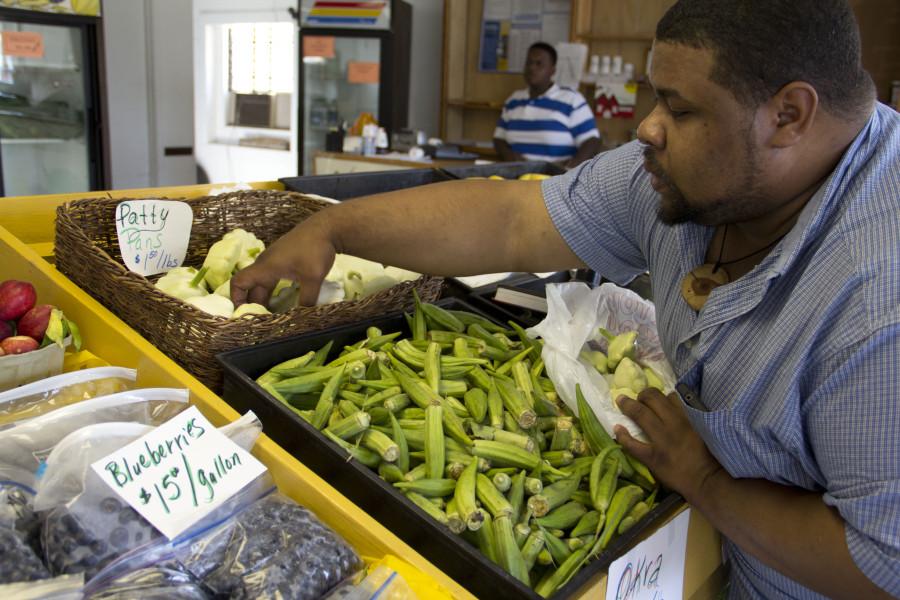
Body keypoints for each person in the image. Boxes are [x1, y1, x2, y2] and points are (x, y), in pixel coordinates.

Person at [233, 0, 899, 597]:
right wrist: (331, 226)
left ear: (789, 115)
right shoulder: (699, 175)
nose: (647, 128)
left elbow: (880, 562)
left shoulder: (878, 300)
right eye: (653, 98)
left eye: (682, 109)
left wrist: (705, 482)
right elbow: (512, 221)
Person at [493, 41, 602, 168]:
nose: (532, 68)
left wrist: (569, 170)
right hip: (518, 178)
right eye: (529, 63)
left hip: (556, 181)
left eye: (539, 64)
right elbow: (499, 139)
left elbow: (592, 141)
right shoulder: (513, 101)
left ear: (552, 71)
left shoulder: (572, 100)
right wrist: (511, 158)